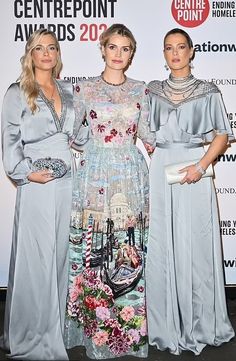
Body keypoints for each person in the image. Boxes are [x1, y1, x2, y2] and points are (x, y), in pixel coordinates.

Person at [65, 24, 155, 359]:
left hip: (131, 175)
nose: (118, 54)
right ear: (102, 49)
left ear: (132, 53)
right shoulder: (84, 89)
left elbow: (147, 134)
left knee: (128, 248)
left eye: (126, 48)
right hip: (94, 177)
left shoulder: (141, 90)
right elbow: (74, 136)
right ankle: (96, 333)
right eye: (113, 47)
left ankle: (130, 333)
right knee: (95, 249)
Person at [146, 28, 235, 356]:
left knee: (196, 244)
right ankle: (166, 323)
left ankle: (200, 322)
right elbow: (144, 130)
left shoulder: (208, 91)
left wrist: (200, 166)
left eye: (181, 47)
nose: (175, 53)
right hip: (162, 169)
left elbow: (222, 135)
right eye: (169, 48)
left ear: (191, 50)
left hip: (196, 168)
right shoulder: (153, 91)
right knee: (163, 245)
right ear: (164, 53)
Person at [0, 29, 77, 360]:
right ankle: (32, 334)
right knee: (36, 260)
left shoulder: (69, 92)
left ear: (58, 54)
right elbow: (9, 137)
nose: (47, 53)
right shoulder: (17, 92)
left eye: (52, 47)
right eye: (39, 48)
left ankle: (55, 329)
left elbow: (82, 134)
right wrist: (24, 173)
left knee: (60, 257)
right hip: (37, 182)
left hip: (68, 181)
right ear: (30, 54)